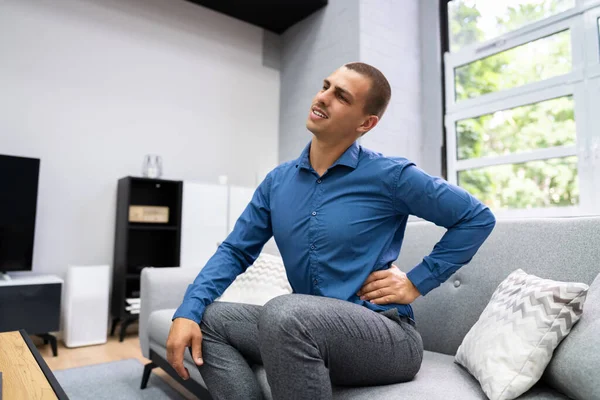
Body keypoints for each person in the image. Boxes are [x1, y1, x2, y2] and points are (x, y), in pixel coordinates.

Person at [166, 62, 496, 400]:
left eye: (340, 96)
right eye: (325, 86)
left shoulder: (391, 175)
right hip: (300, 328)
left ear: (366, 123)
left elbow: (476, 218)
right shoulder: (277, 182)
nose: (322, 98)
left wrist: (416, 281)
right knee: (204, 320)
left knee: (286, 310)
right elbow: (235, 250)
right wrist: (187, 310)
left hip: (385, 337)